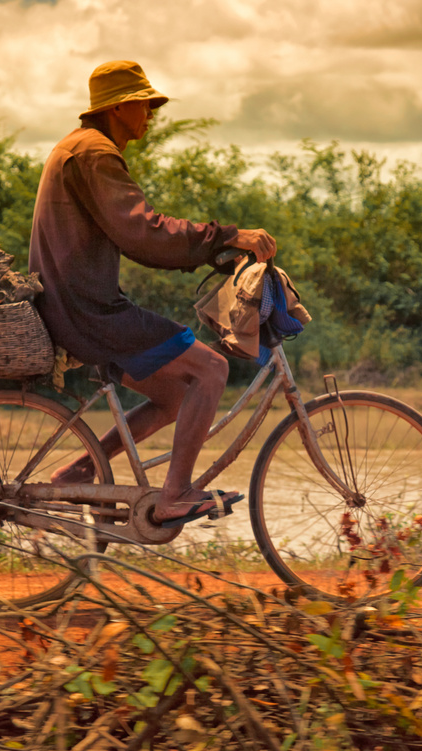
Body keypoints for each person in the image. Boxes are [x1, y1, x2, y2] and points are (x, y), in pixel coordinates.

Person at [28, 60, 276, 526]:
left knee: (175, 396)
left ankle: (79, 470)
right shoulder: (95, 153)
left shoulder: (81, 147)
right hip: (88, 311)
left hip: (75, 305)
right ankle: (176, 495)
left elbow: (139, 235)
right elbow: (144, 233)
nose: (151, 113)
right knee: (211, 368)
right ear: (121, 107)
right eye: (145, 104)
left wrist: (212, 247)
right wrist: (226, 236)